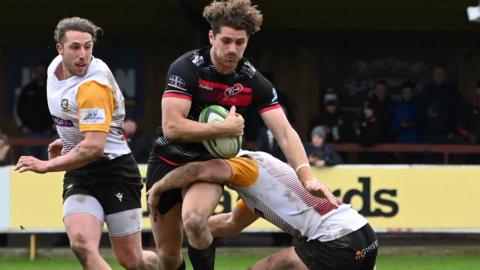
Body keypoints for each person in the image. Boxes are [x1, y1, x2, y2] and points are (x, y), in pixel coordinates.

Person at [146, 1, 337, 269]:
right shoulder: (186, 68)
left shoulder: (252, 81)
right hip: (167, 161)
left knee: (195, 221)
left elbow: (284, 132)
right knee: (168, 256)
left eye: (240, 42)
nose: (232, 49)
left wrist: (307, 177)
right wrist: (223, 129)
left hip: (206, 166)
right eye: (226, 41)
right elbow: (172, 128)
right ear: (212, 37)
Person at [14, 17, 158, 270]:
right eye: (75, 47)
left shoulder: (93, 86)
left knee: (132, 261)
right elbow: (78, 124)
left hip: (115, 171)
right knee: (81, 243)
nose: (83, 55)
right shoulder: (53, 68)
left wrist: (48, 165)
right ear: (60, 49)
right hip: (81, 172)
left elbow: (93, 147)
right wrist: (67, 139)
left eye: (88, 47)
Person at [148, 150, 377, 270]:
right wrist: (185, 232)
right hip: (364, 235)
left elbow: (197, 170)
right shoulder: (256, 187)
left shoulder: (243, 164)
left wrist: (159, 186)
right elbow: (229, 223)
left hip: (335, 240)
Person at [16, 61, 54, 159]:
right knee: (29, 162)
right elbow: (18, 108)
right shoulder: (27, 89)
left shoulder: (52, 88)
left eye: (42, 71)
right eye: (38, 71)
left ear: (46, 72)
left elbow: (58, 109)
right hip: (29, 133)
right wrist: (23, 126)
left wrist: (52, 128)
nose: (40, 73)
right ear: (34, 72)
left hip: (47, 133)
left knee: (46, 162)